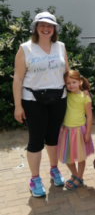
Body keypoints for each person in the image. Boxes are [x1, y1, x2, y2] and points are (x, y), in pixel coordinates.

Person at [13, 12, 68, 197]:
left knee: (53, 137)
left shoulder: (60, 47)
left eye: (50, 25)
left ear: (54, 29)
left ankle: (54, 169)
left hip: (59, 98)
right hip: (33, 100)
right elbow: (18, 79)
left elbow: (67, 73)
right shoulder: (25, 48)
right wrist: (18, 106)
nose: (46, 28)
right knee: (36, 141)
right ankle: (35, 179)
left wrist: (81, 88)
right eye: (42, 25)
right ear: (36, 27)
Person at [57, 70, 94, 190]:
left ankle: (80, 177)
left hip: (80, 131)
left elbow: (89, 116)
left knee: (80, 156)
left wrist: (88, 133)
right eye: (68, 83)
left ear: (80, 81)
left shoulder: (85, 97)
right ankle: (74, 174)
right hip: (67, 131)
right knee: (67, 156)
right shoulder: (66, 95)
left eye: (74, 82)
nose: (71, 85)